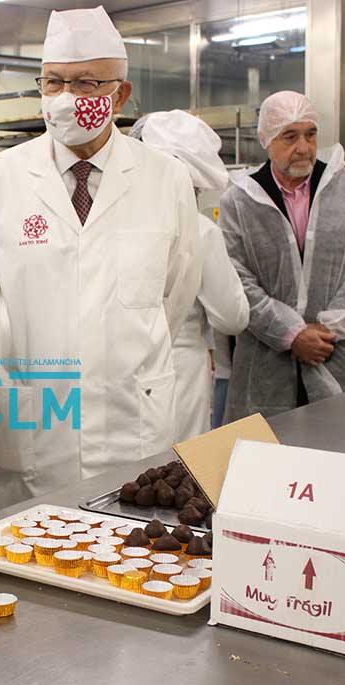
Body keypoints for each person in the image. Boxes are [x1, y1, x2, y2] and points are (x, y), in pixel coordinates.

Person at [0, 7, 201, 510]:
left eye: (87, 83)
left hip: (132, 425)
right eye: (54, 83)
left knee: (134, 559)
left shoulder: (166, 180)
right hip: (33, 427)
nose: (68, 99)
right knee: (27, 558)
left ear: (121, 93)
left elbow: (174, 298)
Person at [219, 90, 345, 421]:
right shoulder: (240, 201)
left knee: (339, 451)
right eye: (290, 136)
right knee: (268, 456)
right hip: (266, 362)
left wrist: (328, 329)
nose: (304, 147)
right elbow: (235, 277)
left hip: (335, 353)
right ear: (267, 139)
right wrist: (291, 333)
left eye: (311, 134)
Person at [135, 109, 249, 439]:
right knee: (171, 476)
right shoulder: (199, 231)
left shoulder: (110, 224)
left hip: (114, 370)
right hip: (178, 370)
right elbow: (232, 317)